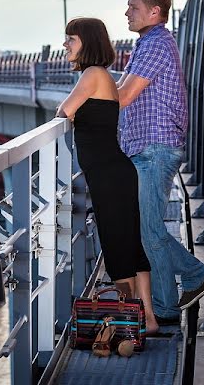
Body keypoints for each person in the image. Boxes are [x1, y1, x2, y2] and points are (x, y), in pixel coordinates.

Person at [118, 0, 204, 324]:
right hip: (147, 147)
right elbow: (121, 90)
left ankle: (188, 283)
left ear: (154, 11)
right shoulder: (146, 43)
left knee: (149, 231)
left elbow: (124, 95)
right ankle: (173, 298)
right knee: (149, 229)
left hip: (155, 149)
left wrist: (87, 96)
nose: (127, 12)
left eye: (133, 6)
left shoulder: (157, 44)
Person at [57, 17, 159, 334]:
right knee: (129, 246)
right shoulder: (102, 76)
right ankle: (149, 321)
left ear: (86, 42)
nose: (65, 45)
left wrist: (68, 115)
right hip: (116, 173)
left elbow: (64, 111)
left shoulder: (92, 74)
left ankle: (129, 323)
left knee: (117, 250)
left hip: (108, 177)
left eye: (70, 39)